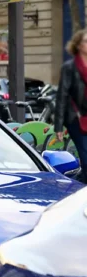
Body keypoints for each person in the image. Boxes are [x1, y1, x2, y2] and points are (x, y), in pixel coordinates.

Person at [54, 28, 87, 181]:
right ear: (78, 45)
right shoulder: (69, 67)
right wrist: (58, 126)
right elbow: (62, 96)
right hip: (75, 118)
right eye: (86, 41)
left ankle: (70, 184)